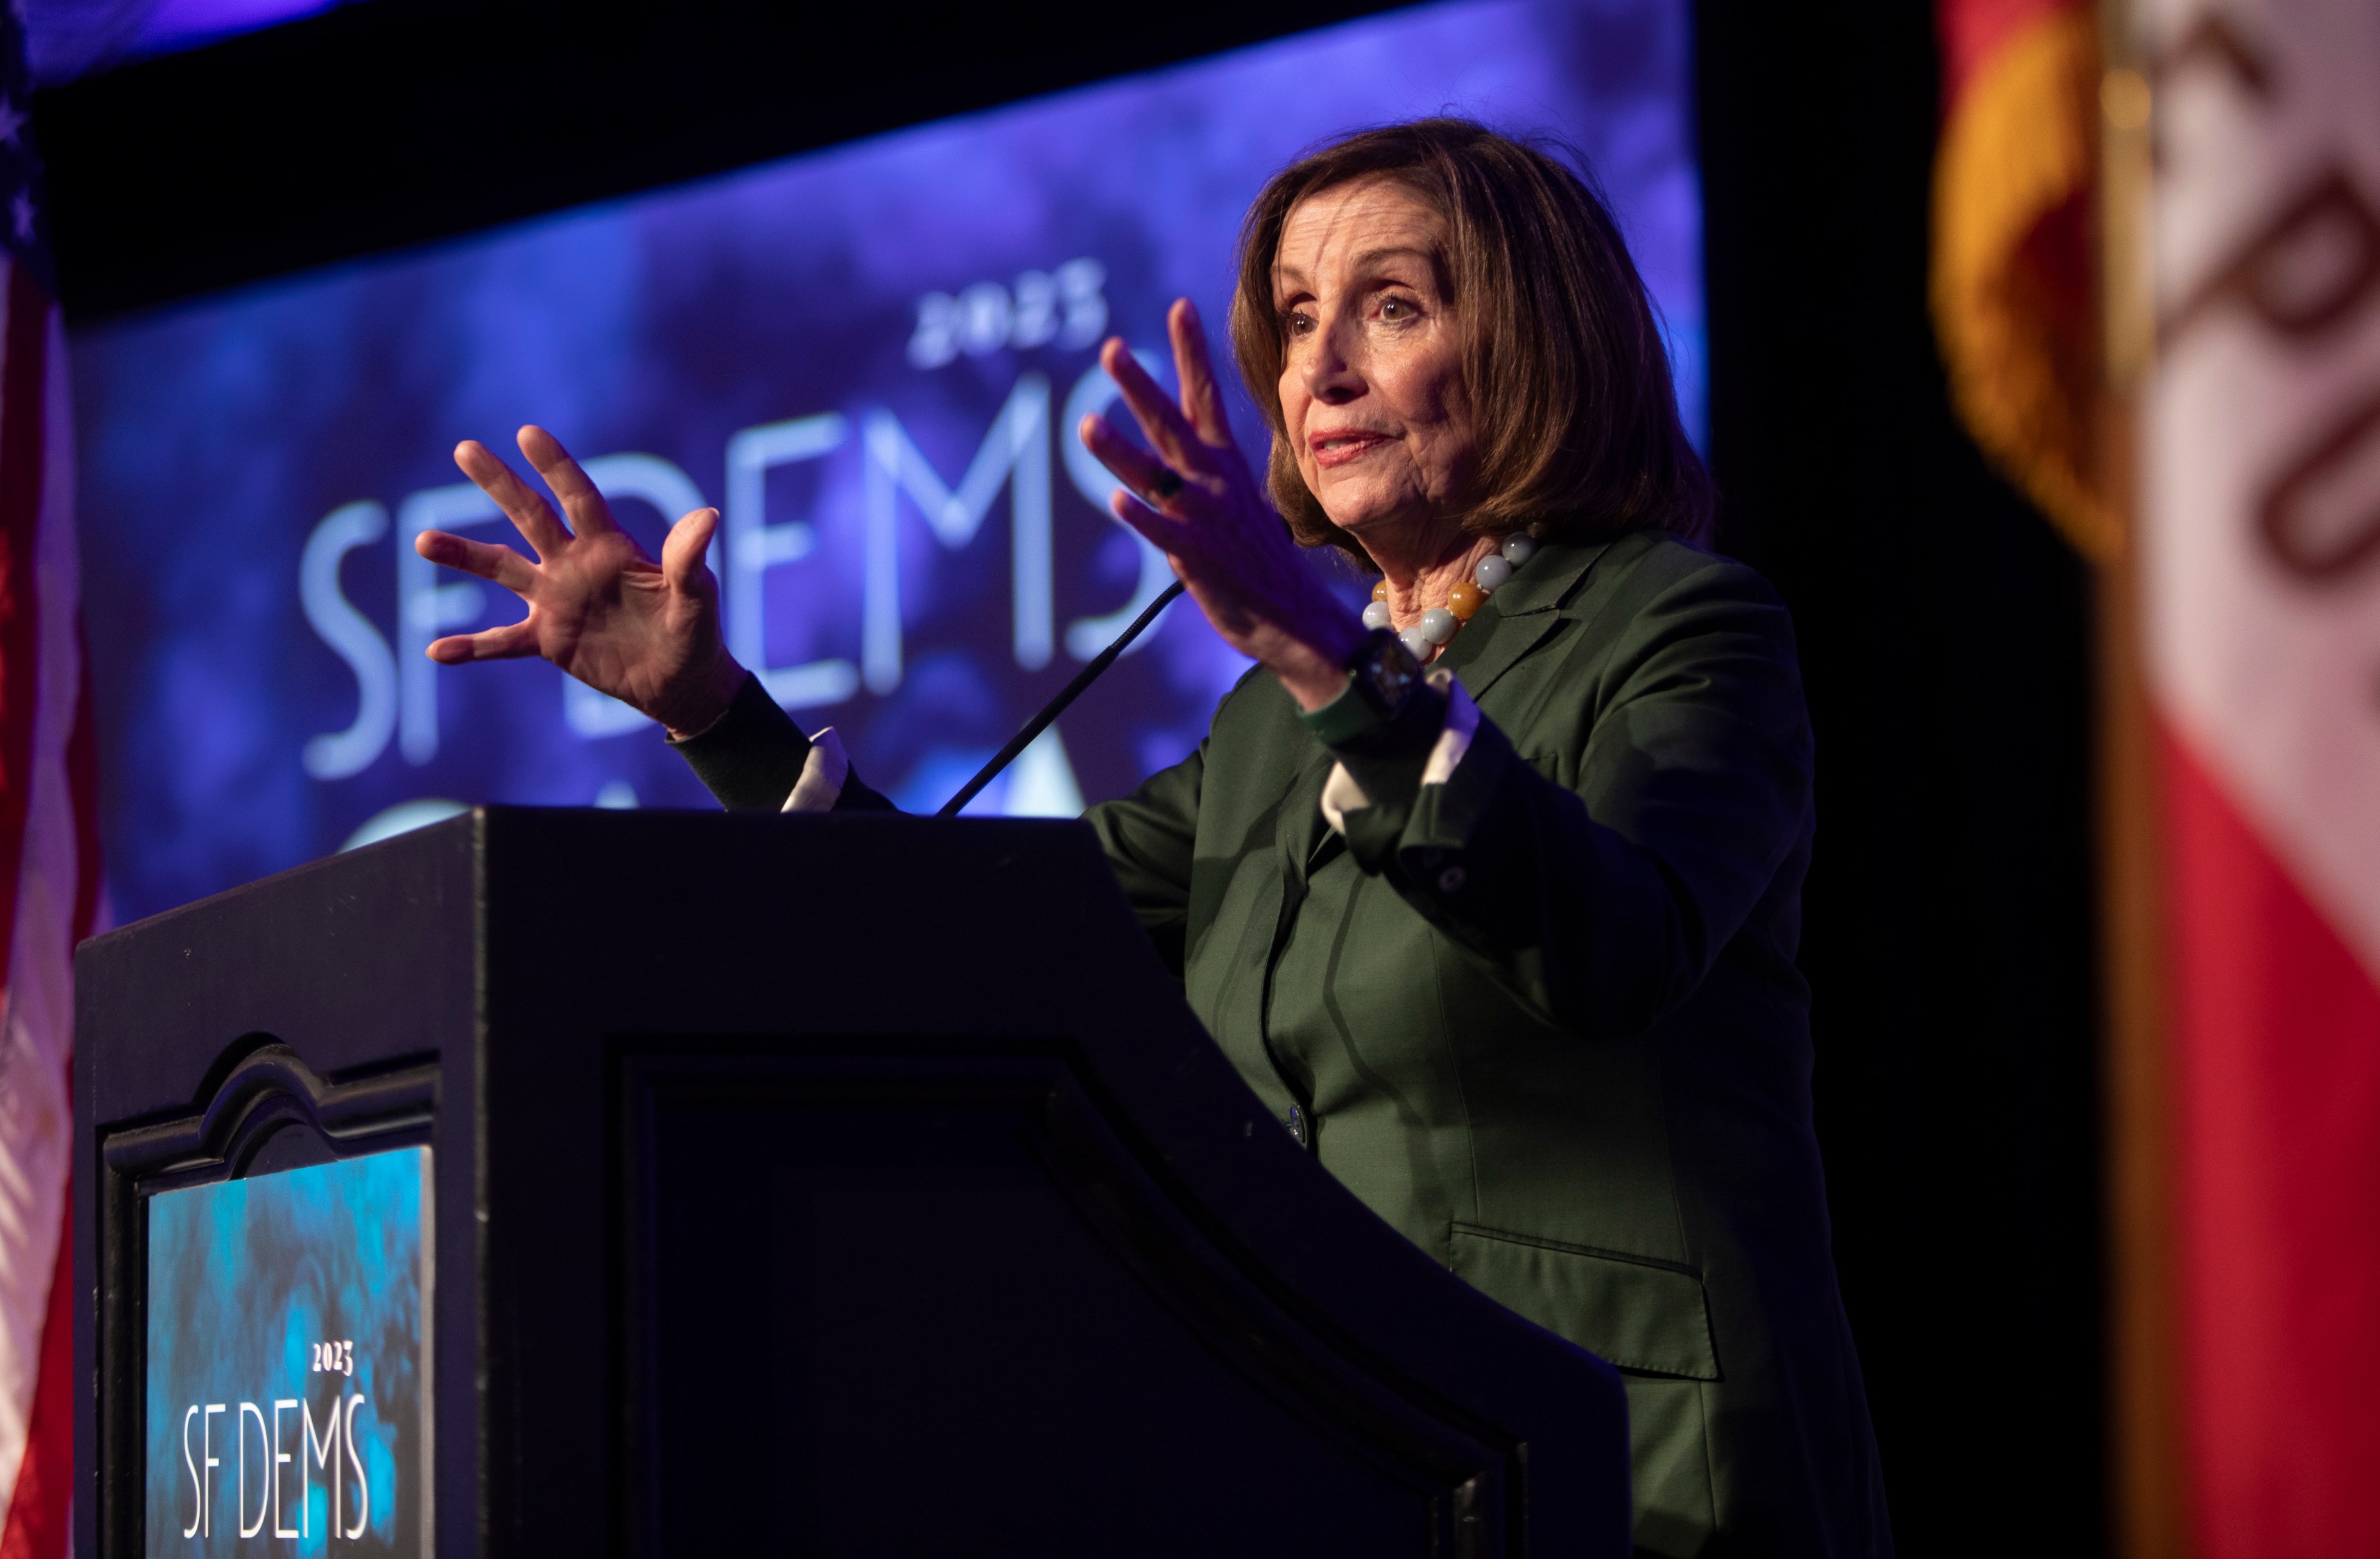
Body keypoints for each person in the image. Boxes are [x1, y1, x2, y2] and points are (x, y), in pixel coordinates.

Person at [415, 119, 1888, 1556]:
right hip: (1353, 1466)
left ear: (1532, 339)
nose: (1318, 370)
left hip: (1634, 1473)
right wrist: (714, 708)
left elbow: (1614, 945)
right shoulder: (1264, 730)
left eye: (1390, 306)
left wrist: (1331, 664)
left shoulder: (1681, 626)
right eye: (1298, 321)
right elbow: (983, 937)